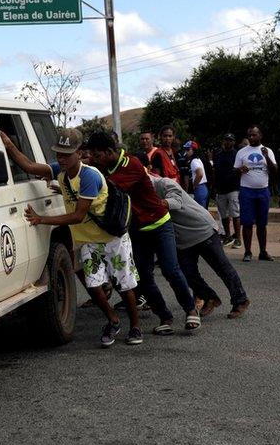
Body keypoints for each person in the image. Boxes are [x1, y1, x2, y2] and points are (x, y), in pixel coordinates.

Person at [0, 129, 143, 347]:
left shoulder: (89, 176)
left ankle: (135, 326)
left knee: (125, 284)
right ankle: (113, 320)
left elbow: (78, 216)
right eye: (58, 154)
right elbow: (29, 166)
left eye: (67, 154)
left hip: (113, 238)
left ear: (79, 153)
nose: (62, 159)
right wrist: (9, 145)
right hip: (89, 241)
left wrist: (41, 219)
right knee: (93, 285)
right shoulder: (60, 172)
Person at [84, 131, 202, 333]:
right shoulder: (106, 167)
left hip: (159, 223)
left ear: (111, 151)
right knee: (144, 278)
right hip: (138, 229)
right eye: (92, 156)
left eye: (97, 155)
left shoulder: (130, 164)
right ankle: (165, 317)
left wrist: (86, 175)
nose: (95, 160)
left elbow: (107, 188)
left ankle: (191, 309)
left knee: (170, 269)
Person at [150, 175, 250, 319]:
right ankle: (209, 297)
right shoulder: (138, 194)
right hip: (183, 238)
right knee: (186, 272)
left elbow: (176, 201)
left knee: (222, 267)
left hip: (202, 230)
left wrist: (159, 203)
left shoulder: (164, 183)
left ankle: (240, 300)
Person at [234, 125, 277, 262]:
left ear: (260, 136)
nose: (252, 137)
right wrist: (240, 170)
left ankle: (263, 252)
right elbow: (234, 171)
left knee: (262, 223)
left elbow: (275, 170)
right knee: (247, 222)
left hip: (263, 190)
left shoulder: (267, 151)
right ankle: (247, 252)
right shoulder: (242, 152)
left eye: (254, 135)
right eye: (250, 135)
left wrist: (266, 157)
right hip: (247, 190)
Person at [213, 134, 241, 248]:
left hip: (233, 188)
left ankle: (238, 238)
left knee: (235, 214)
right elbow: (215, 171)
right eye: (226, 140)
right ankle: (227, 236)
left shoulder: (237, 154)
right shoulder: (219, 155)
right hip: (221, 188)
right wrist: (214, 187)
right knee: (223, 214)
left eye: (230, 140)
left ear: (234, 142)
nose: (228, 142)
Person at [182, 141, 208, 207]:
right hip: (203, 187)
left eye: (188, 149)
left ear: (194, 150)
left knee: (200, 213)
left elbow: (200, 174)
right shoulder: (198, 159)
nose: (186, 152)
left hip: (199, 188)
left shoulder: (193, 161)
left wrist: (194, 185)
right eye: (185, 149)